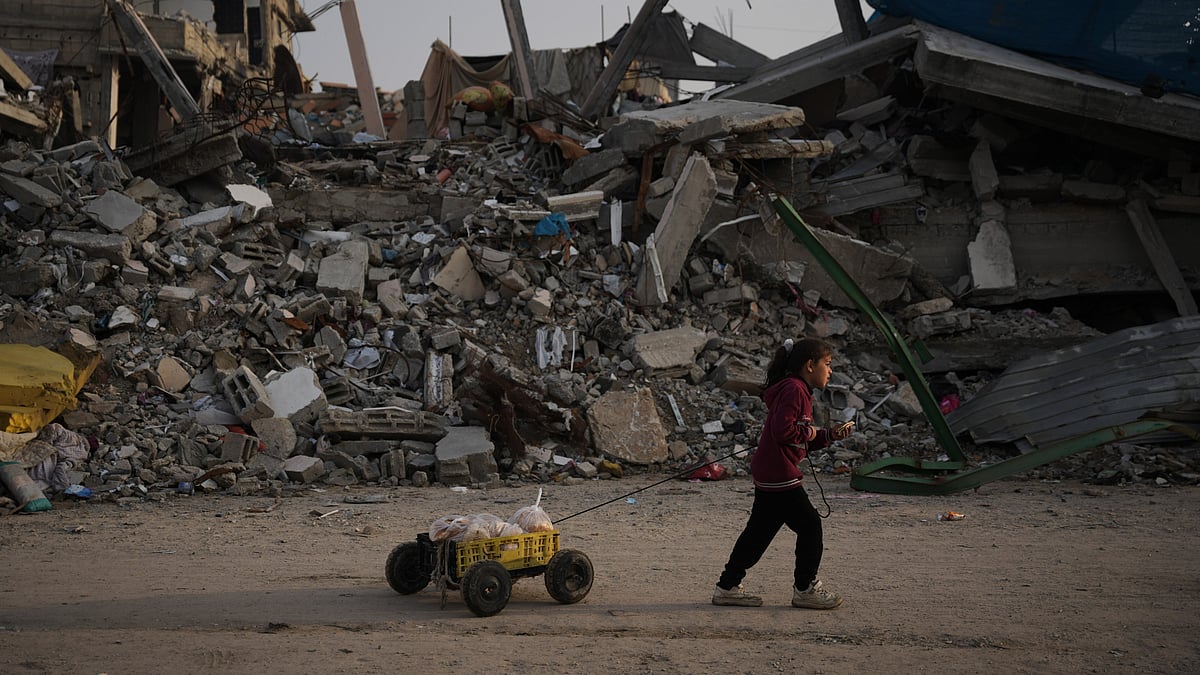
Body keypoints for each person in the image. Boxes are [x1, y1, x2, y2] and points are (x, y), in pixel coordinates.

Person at [712, 337, 854, 609]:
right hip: (780, 473)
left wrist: (829, 435)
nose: (830, 370)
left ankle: (727, 585)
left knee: (758, 533)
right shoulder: (795, 390)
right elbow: (783, 431)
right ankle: (805, 588)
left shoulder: (794, 389)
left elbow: (795, 435)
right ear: (810, 365)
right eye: (827, 364)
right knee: (810, 526)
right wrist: (811, 432)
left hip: (771, 470)